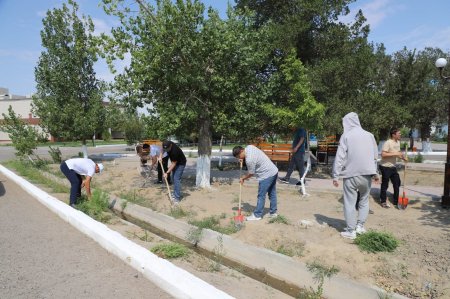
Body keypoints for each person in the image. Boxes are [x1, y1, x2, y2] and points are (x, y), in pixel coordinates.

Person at [332, 112, 379, 239]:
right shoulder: (370, 135)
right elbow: (375, 156)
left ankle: (351, 230)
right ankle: (360, 226)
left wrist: (335, 175)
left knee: (349, 202)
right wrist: (375, 173)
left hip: (351, 174)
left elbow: (340, 156)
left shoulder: (346, 135)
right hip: (367, 175)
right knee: (364, 200)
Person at [232, 145, 279, 221]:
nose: (239, 158)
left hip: (266, 175)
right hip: (273, 170)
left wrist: (243, 178)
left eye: (239, 156)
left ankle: (257, 215)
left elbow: (251, 173)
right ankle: (273, 213)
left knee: (261, 195)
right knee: (272, 193)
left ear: (241, 151)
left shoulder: (249, 160)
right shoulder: (249, 147)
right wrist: (242, 159)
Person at [379, 128, 407, 208]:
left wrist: (403, 158)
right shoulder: (388, 143)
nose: (400, 135)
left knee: (397, 182)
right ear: (393, 135)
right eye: (399, 133)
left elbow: (398, 154)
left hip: (393, 166)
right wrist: (395, 153)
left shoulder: (398, 142)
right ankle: (383, 201)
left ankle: (396, 201)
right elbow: (383, 154)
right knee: (385, 185)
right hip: (385, 166)